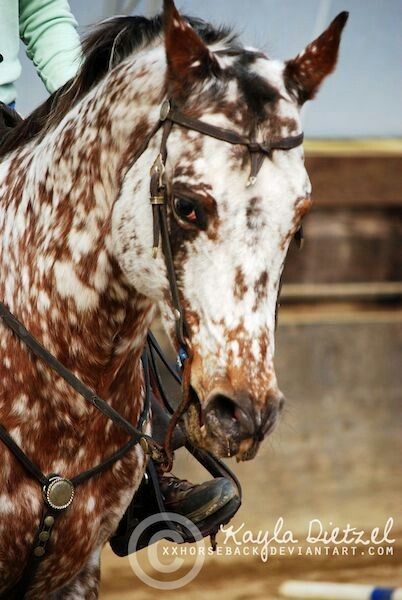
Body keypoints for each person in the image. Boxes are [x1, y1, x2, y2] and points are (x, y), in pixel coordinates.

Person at [0, 0, 238, 534]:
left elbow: (39, 11)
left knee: (105, 257)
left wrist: (88, 109)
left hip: (4, 122)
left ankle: (143, 475)